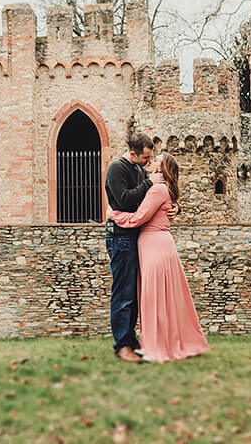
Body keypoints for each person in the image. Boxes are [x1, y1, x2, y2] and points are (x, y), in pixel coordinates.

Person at [109, 153, 210, 361]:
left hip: (153, 245)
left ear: (161, 169)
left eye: (156, 159)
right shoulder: (157, 187)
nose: (151, 160)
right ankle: (171, 341)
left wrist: (114, 214)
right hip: (159, 244)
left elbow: (138, 218)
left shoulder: (156, 189)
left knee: (153, 297)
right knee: (167, 298)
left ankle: (157, 345)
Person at [103, 132, 155, 364]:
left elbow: (146, 201)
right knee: (123, 293)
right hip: (120, 238)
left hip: (135, 236)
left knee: (133, 294)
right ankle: (122, 345)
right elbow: (124, 200)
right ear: (133, 154)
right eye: (145, 158)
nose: (149, 162)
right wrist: (149, 182)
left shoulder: (139, 169)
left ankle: (132, 341)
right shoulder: (117, 168)